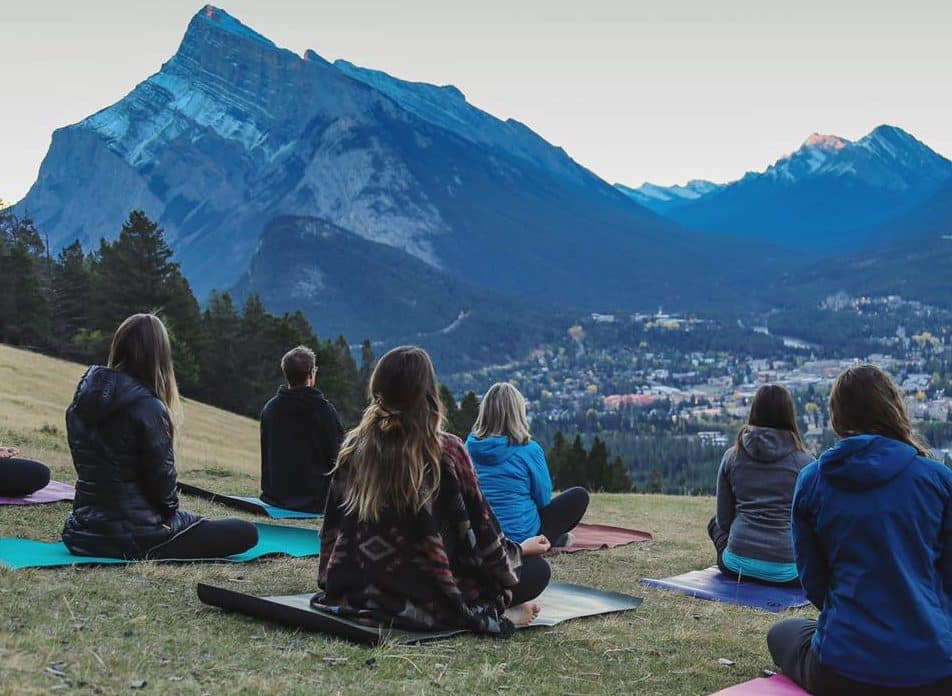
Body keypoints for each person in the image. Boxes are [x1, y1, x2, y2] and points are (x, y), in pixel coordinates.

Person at [315, 346, 551, 635]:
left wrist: (335, 579)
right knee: (538, 571)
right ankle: (505, 615)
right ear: (428, 393)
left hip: (358, 589)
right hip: (431, 597)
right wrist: (520, 550)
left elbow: (332, 532)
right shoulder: (447, 451)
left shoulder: (354, 448)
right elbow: (482, 535)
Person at [767, 365, 952, 695]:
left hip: (843, 668)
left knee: (781, 633)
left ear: (837, 416)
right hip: (933, 671)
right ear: (892, 408)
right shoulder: (937, 479)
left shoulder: (812, 480)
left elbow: (815, 582)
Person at [62, 313, 258, 560]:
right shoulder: (148, 407)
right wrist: (172, 516)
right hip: (135, 537)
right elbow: (163, 491)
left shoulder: (80, 404)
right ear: (160, 356)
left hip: (81, 532)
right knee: (245, 532)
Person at [707, 384, 813, 585]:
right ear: (790, 416)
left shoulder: (732, 457)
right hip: (788, 572)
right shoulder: (806, 464)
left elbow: (723, 521)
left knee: (714, 523)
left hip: (736, 566)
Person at [465, 382, 589, 546]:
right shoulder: (529, 450)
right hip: (523, 537)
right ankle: (550, 540)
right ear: (518, 413)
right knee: (579, 496)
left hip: (482, 536)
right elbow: (543, 500)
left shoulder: (466, 448)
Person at [260, 345, 344, 512]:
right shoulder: (324, 411)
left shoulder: (270, 408)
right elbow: (339, 457)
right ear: (311, 373)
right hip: (315, 502)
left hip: (275, 497)